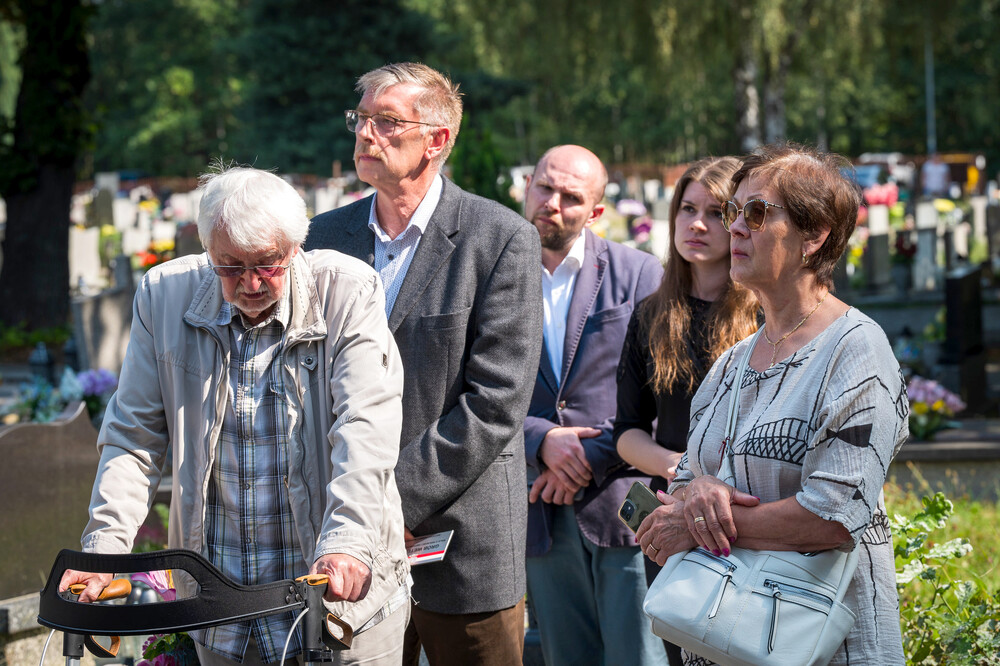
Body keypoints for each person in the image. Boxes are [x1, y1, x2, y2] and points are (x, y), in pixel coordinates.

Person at [59, 166, 411, 665]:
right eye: (229, 266)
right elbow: (133, 437)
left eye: (267, 264)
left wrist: (348, 539)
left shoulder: (347, 291)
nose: (249, 283)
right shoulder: (163, 295)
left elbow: (365, 427)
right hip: (219, 610)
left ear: (295, 248)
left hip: (333, 600)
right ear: (207, 252)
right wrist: (105, 549)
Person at [304, 62, 543, 666]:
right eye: (361, 120)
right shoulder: (321, 239)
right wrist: (357, 516)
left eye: (387, 122)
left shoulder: (501, 238)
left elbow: (496, 402)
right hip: (344, 544)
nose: (365, 135)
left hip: (461, 539)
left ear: (436, 140)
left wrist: (389, 505)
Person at [636, 144, 907, 664]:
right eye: (734, 211)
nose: (735, 227)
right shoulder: (732, 363)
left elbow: (834, 518)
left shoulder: (856, 350)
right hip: (724, 641)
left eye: (756, 212)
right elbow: (687, 481)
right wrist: (701, 491)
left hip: (825, 646)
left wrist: (697, 523)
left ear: (815, 234)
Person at [521, 145, 665, 666]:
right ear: (527, 186)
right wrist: (540, 440)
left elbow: (663, 395)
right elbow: (475, 386)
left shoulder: (641, 274)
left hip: (627, 503)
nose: (552, 203)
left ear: (596, 212)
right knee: (566, 657)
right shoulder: (495, 277)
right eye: (544, 187)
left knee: (639, 656)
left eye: (570, 197)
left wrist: (585, 455)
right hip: (540, 504)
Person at [613, 157, 758, 664]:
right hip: (673, 514)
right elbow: (627, 432)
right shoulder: (651, 314)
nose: (697, 224)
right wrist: (676, 468)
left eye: (717, 213)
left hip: (749, 517)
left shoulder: (765, 314)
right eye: (687, 209)